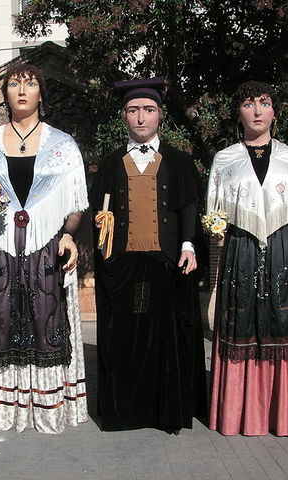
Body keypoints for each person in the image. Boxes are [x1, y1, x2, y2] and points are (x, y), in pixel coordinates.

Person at [0, 64, 89, 433]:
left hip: (47, 247)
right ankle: (1, 411)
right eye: (14, 84)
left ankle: (47, 409)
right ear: (5, 93)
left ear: (40, 93)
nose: (21, 90)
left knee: (46, 323)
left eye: (30, 84)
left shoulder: (62, 145)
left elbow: (75, 200)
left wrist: (68, 234)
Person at [207, 81, 288, 437]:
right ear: (239, 113)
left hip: (285, 247)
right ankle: (240, 415)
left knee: (286, 322)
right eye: (249, 104)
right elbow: (214, 209)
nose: (257, 110)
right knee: (241, 321)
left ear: (274, 111)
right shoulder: (225, 158)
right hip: (241, 248)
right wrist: (215, 233)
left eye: (264, 103)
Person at [90, 78, 207, 433]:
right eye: (133, 110)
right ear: (124, 116)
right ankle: (127, 412)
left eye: (149, 110)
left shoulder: (179, 161)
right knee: (126, 339)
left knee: (166, 339)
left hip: (168, 264)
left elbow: (189, 208)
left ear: (160, 115)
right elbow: (99, 216)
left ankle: (166, 411)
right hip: (124, 266)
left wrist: (188, 245)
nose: (141, 117)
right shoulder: (109, 164)